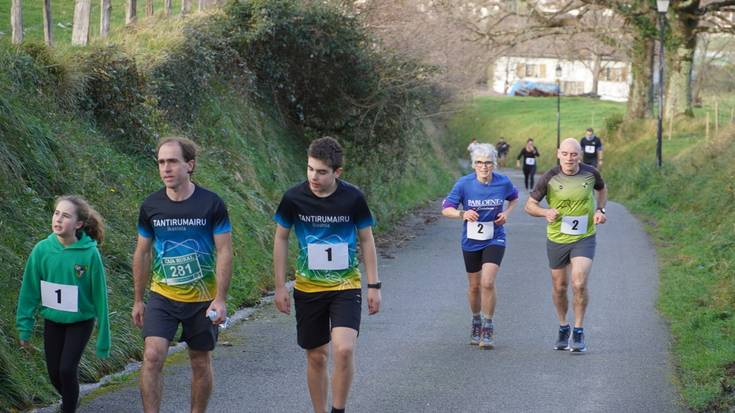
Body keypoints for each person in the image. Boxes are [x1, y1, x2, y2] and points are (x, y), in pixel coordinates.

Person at [273, 136, 381, 413]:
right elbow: (281, 238)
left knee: (344, 350)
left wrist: (374, 285)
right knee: (317, 357)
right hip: (308, 289)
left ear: (337, 172)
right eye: (310, 169)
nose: (314, 176)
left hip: (346, 286)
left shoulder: (353, 198)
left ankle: (338, 410)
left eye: (321, 171)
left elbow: (367, 239)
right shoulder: (294, 198)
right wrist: (280, 286)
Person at [132, 137, 233, 413]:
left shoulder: (212, 204)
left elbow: (224, 251)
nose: (166, 168)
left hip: (202, 299)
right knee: (152, 356)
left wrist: (220, 299)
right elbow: (142, 253)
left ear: (189, 165)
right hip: (162, 296)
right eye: (162, 162)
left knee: (200, 360)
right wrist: (139, 300)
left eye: (173, 161)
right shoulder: (151, 206)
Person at [16, 195, 111, 413]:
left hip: (80, 321)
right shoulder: (41, 250)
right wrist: (24, 327)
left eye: (66, 216)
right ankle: (70, 398)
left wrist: (104, 338)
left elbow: (100, 297)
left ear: (78, 224)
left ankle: (68, 407)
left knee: (67, 370)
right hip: (53, 320)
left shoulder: (89, 254)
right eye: (56, 213)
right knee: (54, 373)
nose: (58, 219)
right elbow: (29, 291)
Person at [524, 138, 607, 353]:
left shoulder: (591, 173)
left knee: (578, 282)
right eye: (565, 154)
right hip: (557, 238)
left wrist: (600, 210)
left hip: (584, 236)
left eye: (573, 154)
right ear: (558, 154)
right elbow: (529, 206)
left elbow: (602, 189)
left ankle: (578, 331)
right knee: (560, 287)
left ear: (579, 155)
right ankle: (563, 326)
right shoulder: (549, 177)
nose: (569, 158)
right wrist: (545, 212)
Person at [441, 144, 519, 349]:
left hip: (495, 237)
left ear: (494, 164)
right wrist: (462, 214)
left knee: (488, 282)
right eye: (479, 163)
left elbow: (514, 198)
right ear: (474, 165)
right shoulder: (464, 184)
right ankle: (476, 320)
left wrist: (506, 214)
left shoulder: (503, 182)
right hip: (471, 240)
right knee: (474, 286)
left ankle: (488, 325)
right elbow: (446, 209)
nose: (484, 167)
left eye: (488, 163)